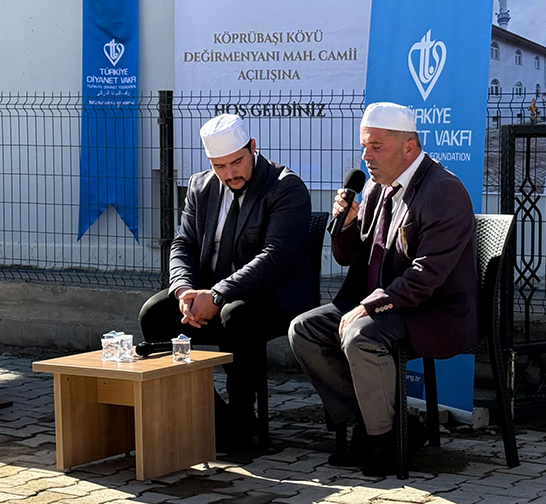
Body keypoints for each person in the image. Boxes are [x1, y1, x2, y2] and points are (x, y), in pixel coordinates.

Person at [288, 102, 478, 476]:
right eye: (364, 146)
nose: (366, 157)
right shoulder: (377, 187)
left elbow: (426, 276)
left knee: (360, 335)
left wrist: (370, 306)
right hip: (384, 303)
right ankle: (387, 428)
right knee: (304, 330)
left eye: (376, 147)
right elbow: (350, 257)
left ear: (409, 147)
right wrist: (346, 223)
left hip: (430, 310)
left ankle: (385, 439)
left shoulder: (443, 191)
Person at [138, 114, 314, 452]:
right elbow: (184, 243)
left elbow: (275, 257)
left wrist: (217, 295)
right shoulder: (200, 186)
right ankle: (211, 415)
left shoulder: (285, 186)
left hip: (274, 295)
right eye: (220, 166)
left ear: (253, 148)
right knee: (154, 315)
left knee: (237, 316)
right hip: (213, 292)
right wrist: (184, 290)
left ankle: (242, 418)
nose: (230, 173)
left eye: (237, 162)